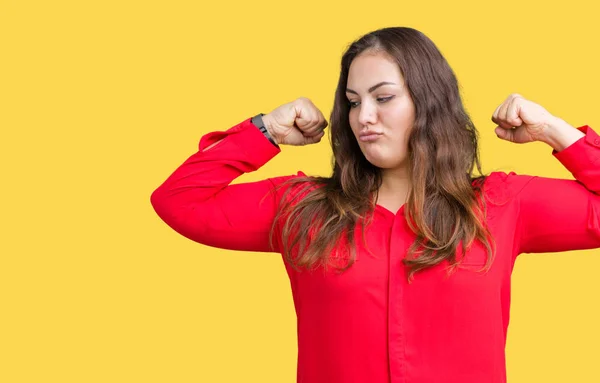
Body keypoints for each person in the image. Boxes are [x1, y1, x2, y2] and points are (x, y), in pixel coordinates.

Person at [150, 27, 600, 383]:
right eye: (352, 102)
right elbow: (179, 201)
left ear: (428, 104)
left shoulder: (501, 204)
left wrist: (555, 131)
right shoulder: (303, 208)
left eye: (383, 98)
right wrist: (264, 130)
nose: (364, 117)